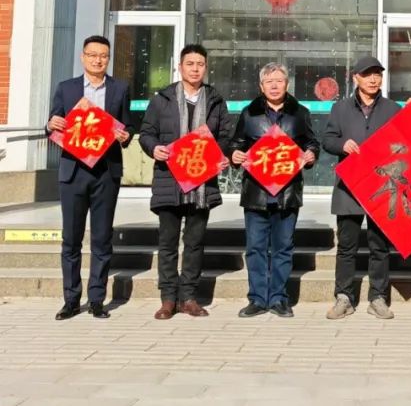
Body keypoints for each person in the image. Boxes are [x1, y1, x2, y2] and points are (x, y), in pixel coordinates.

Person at [139, 43, 231, 320]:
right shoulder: (162, 99)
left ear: (206, 67)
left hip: (202, 183)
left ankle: (189, 297)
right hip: (169, 180)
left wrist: (223, 154)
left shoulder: (215, 99)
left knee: (195, 242)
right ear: (180, 67)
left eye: (200, 64)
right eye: (189, 63)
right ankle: (168, 298)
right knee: (167, 243)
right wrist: (153, 148)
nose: (195, 68)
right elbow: (146, 132)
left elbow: (225, 134)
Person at [47, 35, 133, 320]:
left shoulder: (120, 89)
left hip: (106, 172)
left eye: (104, 56)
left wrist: (125, 136)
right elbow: (53, 124)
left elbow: (127, 128)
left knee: (101, 238)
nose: (98, 60)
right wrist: (51, 124)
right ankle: (71, 300)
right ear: (83, 57)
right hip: (73, 172)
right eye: (93, 55)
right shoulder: (66, 88)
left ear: (108, 59)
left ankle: (97, 299)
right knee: (71, 239)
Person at [229, 62, 319, 319]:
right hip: (256, 192)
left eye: (279, 80)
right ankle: (257, 298)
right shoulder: (249, 113)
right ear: (261, 86)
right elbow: (236, 144)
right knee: (255, 247)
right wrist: (234, 153)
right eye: (269, 81)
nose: (275, 85)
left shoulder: (300, 112)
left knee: (283, 247)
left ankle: (279, 297)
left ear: (287, 84)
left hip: (287, 192)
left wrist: (311, 153)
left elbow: (312, 142)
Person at [323, 56, 401, 321]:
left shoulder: (393, 109)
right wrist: (342, 144)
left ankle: (378, 297)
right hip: (349, 187)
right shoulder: (341, 109)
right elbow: (328, 140)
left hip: (383, 186)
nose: (373, 79)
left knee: (380, 246)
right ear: (355, 77)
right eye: (367, 74)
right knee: (347, 246)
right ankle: (344, 297)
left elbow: (405, 144)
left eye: (378, 74)